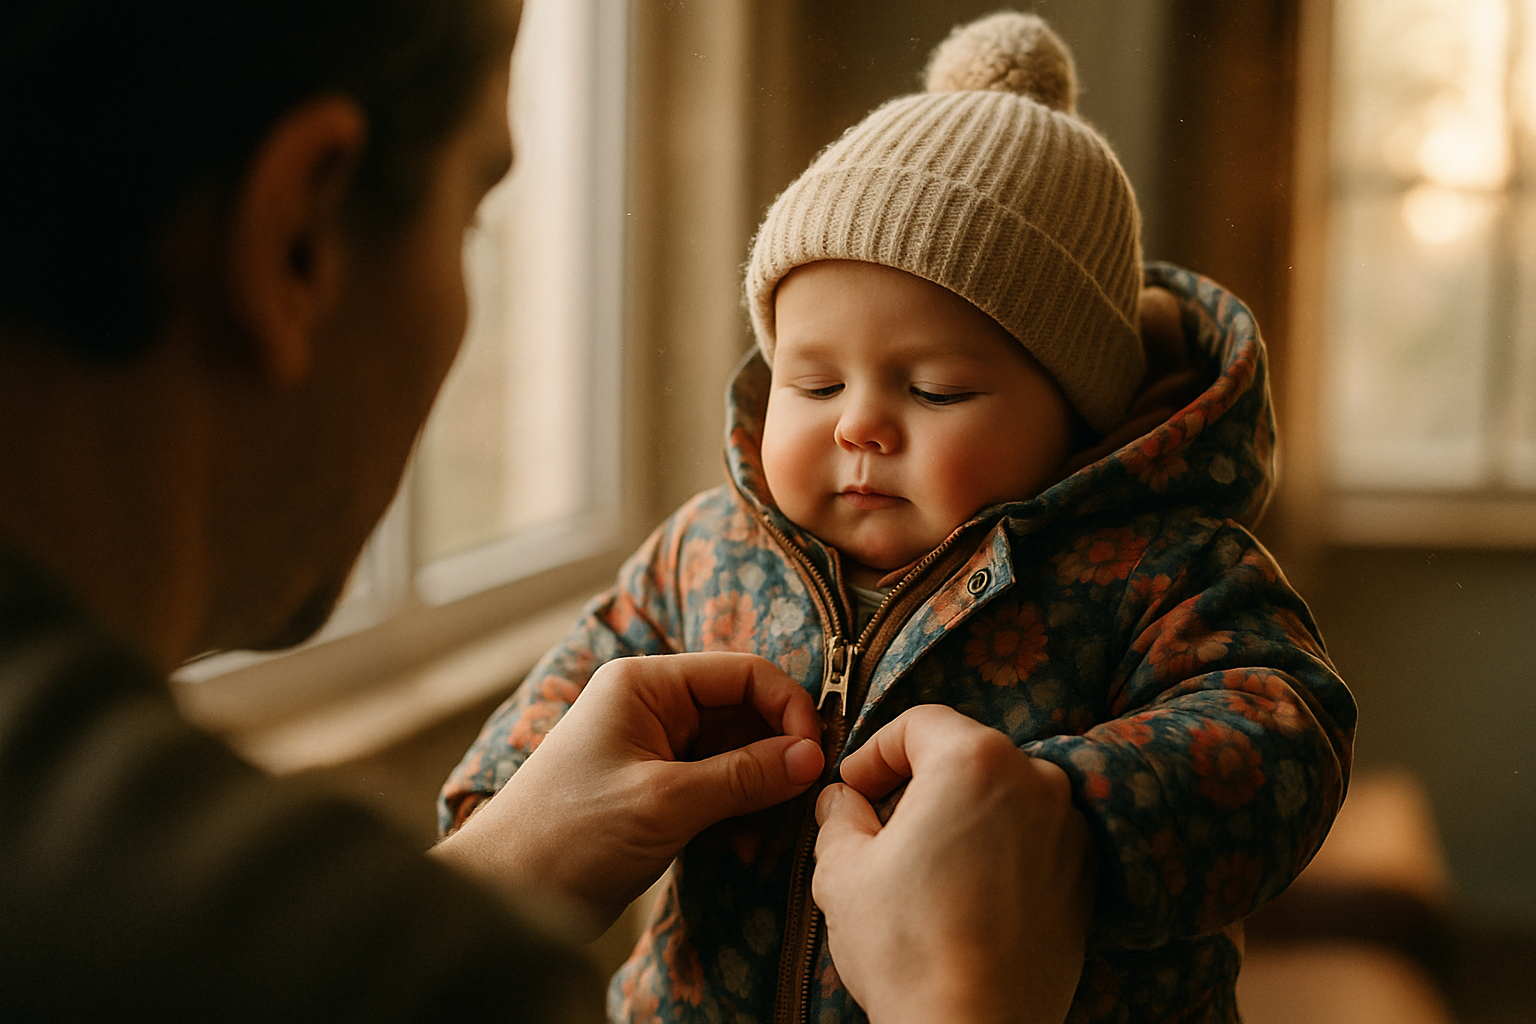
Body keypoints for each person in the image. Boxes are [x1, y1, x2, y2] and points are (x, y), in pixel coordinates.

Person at [0, 1, 1095, 1021]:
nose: (860, 426)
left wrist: (488, 874)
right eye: (477, 211)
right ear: (298, 233)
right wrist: (966, 993)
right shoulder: (427, 979)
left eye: (938, 388)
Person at [442, 12, 1359, 1024]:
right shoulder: (705, 550)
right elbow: (582, 693)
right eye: (815, 381)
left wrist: (1071, 820)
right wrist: (501, 819)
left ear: (1076, 416)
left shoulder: (1166, 568)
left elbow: (1282, 735)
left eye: (935, 390)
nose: (862, 426)